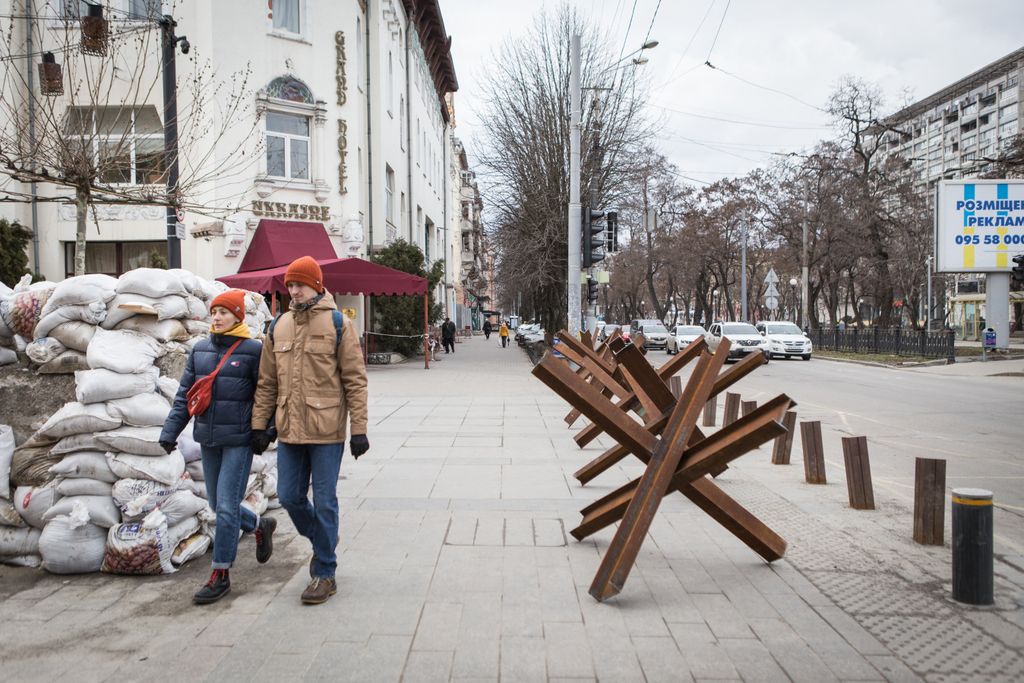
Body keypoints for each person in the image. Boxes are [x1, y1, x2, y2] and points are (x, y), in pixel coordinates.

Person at [252, 256, 369, 605]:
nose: (293, 289)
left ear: (316, 285)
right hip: (289, 429)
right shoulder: (279, 326)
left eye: (299, 283)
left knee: (325, 499)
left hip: (326, 429)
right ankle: (324, 543)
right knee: (288, 496)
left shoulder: (337, 324)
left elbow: (355, 380)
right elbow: (267, 382)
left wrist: (359, 429)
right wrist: (260, 425)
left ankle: (324, 572)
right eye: (289, 284)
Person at [160, 289, 275, 605]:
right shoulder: (199, 350)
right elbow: (185, 395)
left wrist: (264, 431)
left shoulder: (253, 350)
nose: (218, 317)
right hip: (209, 438)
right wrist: (170, 432)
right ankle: (259, 523)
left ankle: (220, 573)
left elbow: (267, 392)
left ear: (238, 316)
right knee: (215, 503)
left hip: (239, 440)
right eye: (214, 312)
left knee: (225, 507)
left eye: (224, 312)